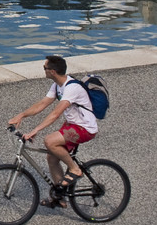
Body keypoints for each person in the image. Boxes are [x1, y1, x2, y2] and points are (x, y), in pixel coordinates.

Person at [8, 55, 98, 209]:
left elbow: (55, 114)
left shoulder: (71, 88)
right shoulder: (57, 85)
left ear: (53, 72)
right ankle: (60, 198)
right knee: (52, 157)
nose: (44, 70)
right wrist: (21, 115)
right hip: (72, 124)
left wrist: (35, 130)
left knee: (49, 141)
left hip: (85, 128)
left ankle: (75, 170)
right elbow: (42, 104)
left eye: (45, 68)